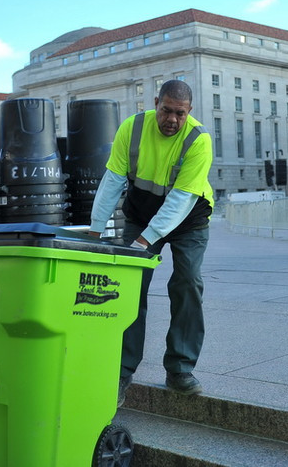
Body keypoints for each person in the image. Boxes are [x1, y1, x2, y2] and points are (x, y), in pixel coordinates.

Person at [89, 79, 214, 406]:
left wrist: (145, 242)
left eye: (180, 114)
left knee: (188, 281)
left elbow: (179, 202)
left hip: (189, 217)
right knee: (129, 288)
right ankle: (121, 371)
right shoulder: (132, 128)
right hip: (141, 212)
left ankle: (180, 368)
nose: (172, 119)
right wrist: (94, 231)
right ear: (155, 103)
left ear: (190, 112)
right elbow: (112, 182)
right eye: (166, 110)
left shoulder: (199, 141)